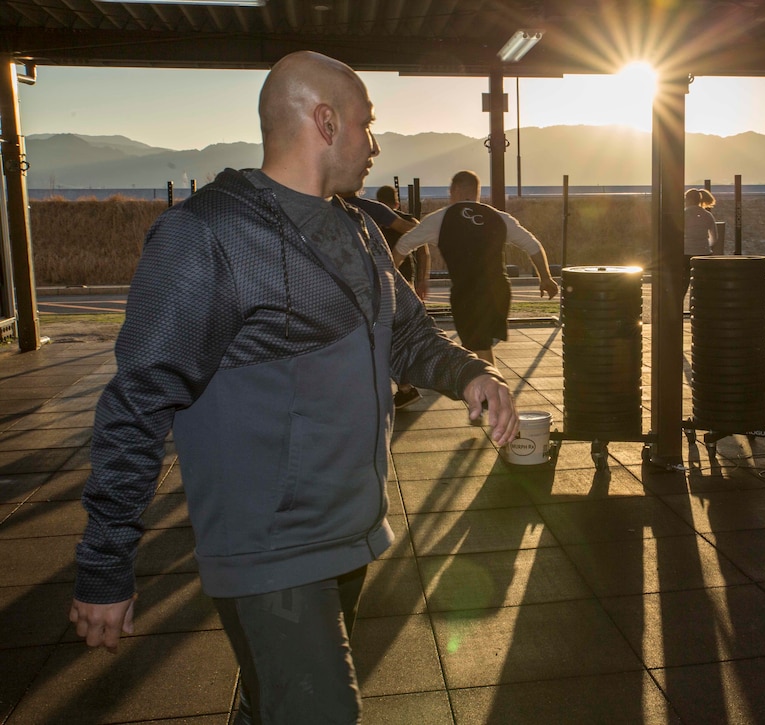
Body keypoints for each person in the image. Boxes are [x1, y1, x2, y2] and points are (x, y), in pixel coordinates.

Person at [68, 51, 520, 725]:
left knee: (272, 699)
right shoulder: (209, 236)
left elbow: (407, 336)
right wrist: (105, 560)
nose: (375, 144)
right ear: (327, 121)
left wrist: (469, 374)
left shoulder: (360, 230)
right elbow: (137, 401)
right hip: (271, 549)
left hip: (350, 534)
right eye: (368, 125)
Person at [392, 170, 559, 364]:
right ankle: (481, 386)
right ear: (477, 191)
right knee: (477, 347)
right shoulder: (499, 218)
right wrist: (545, 277)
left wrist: (388, 280)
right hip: (499, 294)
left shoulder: (441, 219)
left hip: (467, 295)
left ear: (454, 189)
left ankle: (492, 391)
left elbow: (402, 247)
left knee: (480, 349)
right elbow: (533, 245)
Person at [342, 185, 427, 408]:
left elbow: (413, 232)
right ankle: (403, 387)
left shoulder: (359, 209)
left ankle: (397, 387)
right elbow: (413, 233)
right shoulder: (370, 209)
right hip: (381, 282)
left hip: (365, 285)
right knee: (389, 334)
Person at [683, 188, 718, 297]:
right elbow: (714, 237)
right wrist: (706, 245)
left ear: (687, 199)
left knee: (683, 284)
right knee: (702, 286)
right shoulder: (707, 215)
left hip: (685, 252)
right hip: (704, 253)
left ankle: (678, 310)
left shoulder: (683, 214)